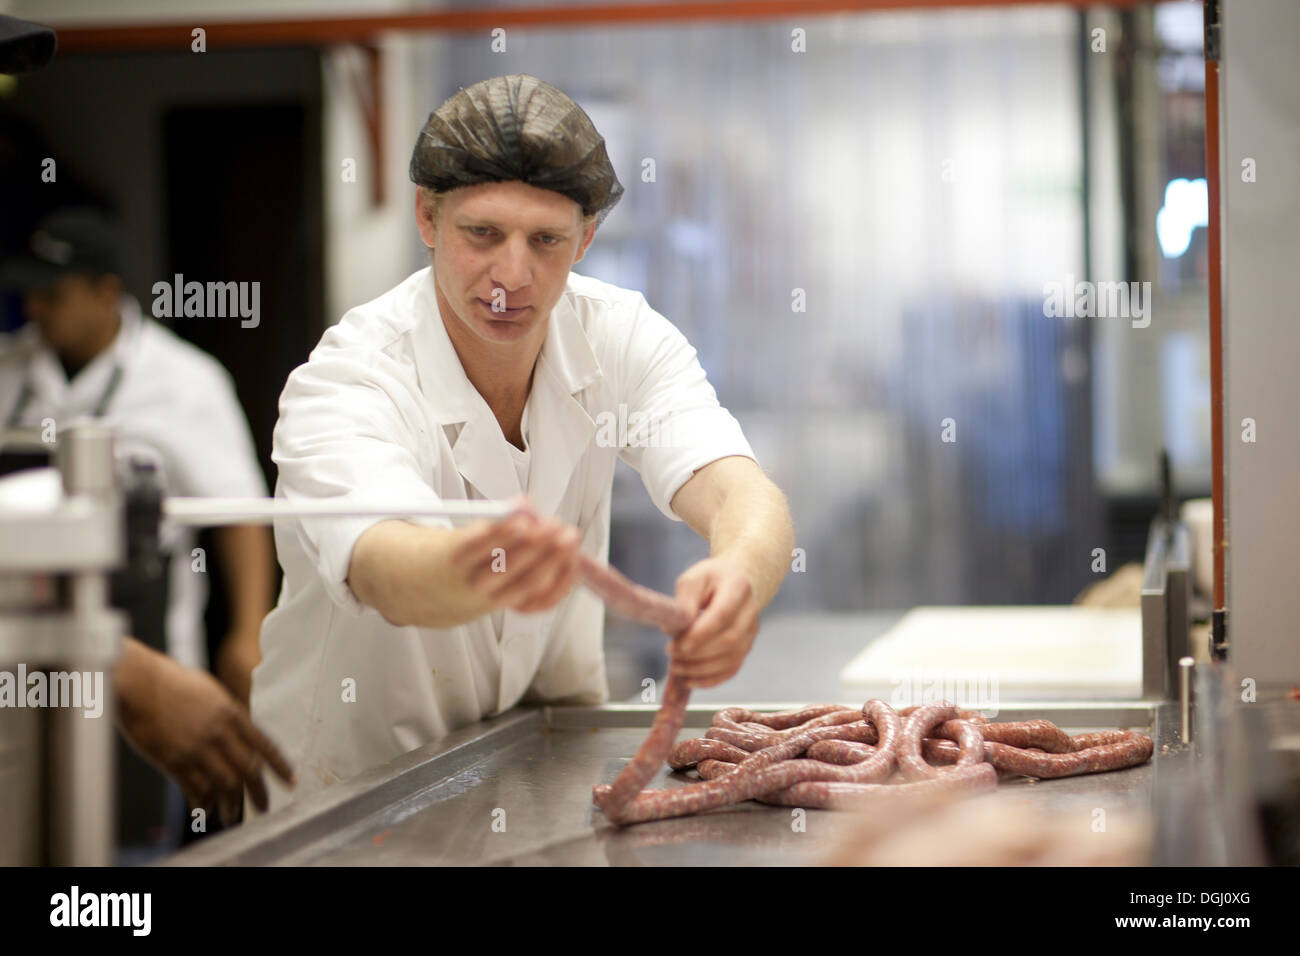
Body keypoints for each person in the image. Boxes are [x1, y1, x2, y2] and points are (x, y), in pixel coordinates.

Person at [251, 74, 794, 812]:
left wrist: (739, 578)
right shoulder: (350, 380)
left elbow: (737, 490)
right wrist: (494, 564)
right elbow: (383, 566)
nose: (512, 275)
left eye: (546, 240)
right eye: (483, 233)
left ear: (586, 239)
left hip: (536, 772)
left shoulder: (620, 335)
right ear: (427, 218)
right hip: (348, 797)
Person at [0, 207, 291, 836]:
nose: (37, 309)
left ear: (108, 293)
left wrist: (246, 635)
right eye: (29, 293)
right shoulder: (9, 366)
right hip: (17, 651)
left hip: (150, 652)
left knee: (128, 840)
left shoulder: (185, 381)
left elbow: (239, 512)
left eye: (54, 294)